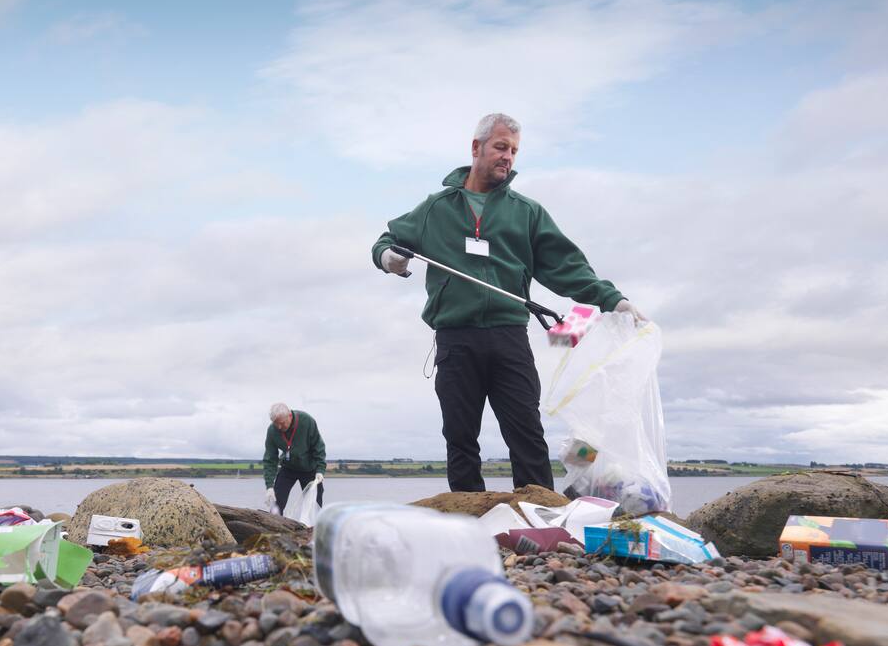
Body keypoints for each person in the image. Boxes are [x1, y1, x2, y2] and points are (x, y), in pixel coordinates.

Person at [371, 112, 646, 493]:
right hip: (455, 339)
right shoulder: (436, 208)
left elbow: (568, 268)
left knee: (527, 435)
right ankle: (468, 523)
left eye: (514, 151)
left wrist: (614, 301)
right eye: (501, 147)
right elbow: (386, 240)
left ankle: (542, 521)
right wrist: (389, 260)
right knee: (460, 439)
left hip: (509, 337)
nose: (508, 157)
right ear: (476, 148)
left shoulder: (527, 213)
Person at [262, 403, 326, 514]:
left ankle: (314, 528)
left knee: (315, 505)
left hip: (309, 468)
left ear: (290, 416)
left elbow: (318, 447)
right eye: (276, 424)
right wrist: (269, 486)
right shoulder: (273, 430)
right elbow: (270, 459)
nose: (279, 427)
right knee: (277, 502)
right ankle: (274, 528)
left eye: (281, 423)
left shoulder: (307, 421)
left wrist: (320, 470)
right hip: (288, 468)